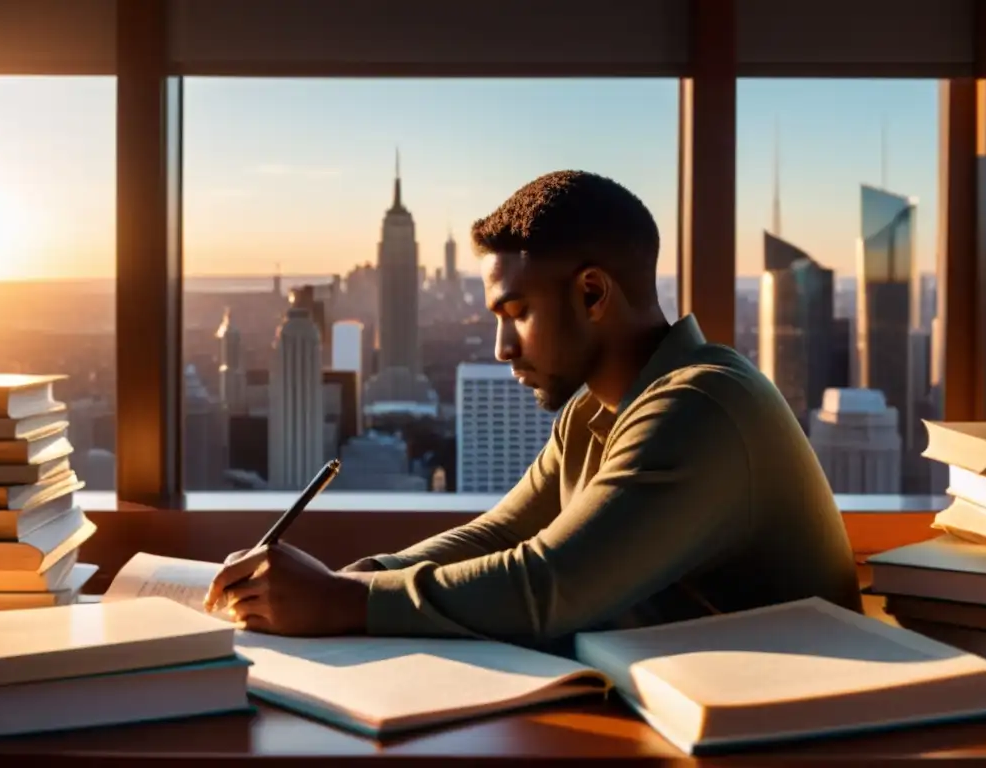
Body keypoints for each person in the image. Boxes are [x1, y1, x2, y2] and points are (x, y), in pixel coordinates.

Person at [204, 170, 862, 646]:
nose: (500, 346)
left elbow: (546, 584)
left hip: (793, 739)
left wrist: (338, 600)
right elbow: (502, 534)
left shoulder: (701, 408)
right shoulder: (594, 414)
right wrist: (353, 578)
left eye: (517, 313)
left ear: (593, 294)